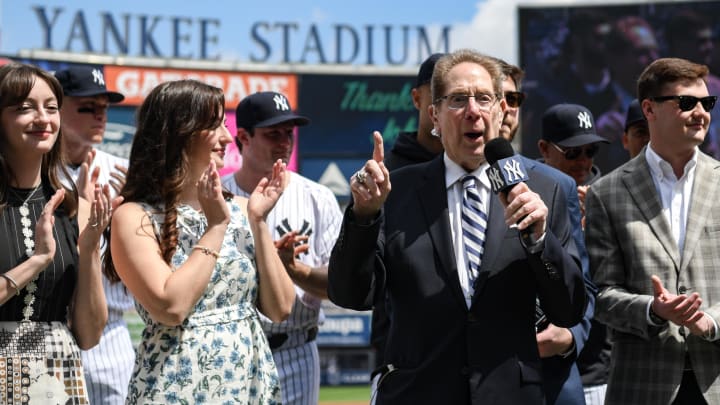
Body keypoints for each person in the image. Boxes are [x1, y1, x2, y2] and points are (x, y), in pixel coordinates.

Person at [328, 49, 586, 404]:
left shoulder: (546, 189)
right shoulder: (395, 191)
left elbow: (569, 309)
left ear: (500, 110)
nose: (473, 110)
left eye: (483, 98)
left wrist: (540, 239)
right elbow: (351, 295)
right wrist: (363, 217)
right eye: (458, 99)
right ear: (434, 115)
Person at [105, 80, 296, 404]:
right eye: (214, 125)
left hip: (248, 383)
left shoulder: (242, 209)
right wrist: (216, 226)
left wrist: (259, 222)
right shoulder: (134, 216)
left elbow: (280, 309)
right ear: (179, 133)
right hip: (174, 386)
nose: (226, 137)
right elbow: (171, 307)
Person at [586, 57, 720, 404]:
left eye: (708, 103)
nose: (701, 113)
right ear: (649, 109)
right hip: (642, 386)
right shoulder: (608, 193)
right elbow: (600, 295)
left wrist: (711, 321)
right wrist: (653, 310)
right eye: (687, 103)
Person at [0, 62, 111, 403]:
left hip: (57, 374)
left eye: (51, 108)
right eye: (24, 108)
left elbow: (89, 335)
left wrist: (91, 251)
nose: (44, 118)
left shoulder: (72, 206)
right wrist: (37, 261)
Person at [222, 90, 342, 405]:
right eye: (272, 133)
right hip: (231, 351)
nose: (284, 142)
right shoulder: (217, 199)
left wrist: (294, 270)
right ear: (243, 137)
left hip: (295, 351)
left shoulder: (318, 198)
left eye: (288, 133)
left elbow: (339, 286)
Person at [498, 60, 595, 405]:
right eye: (498, 97)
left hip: (552, 381)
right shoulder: (432, 185)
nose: (507, 108)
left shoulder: (555, 185)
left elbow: (583, 282)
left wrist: (570, 334)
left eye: (515, 99)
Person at [54, 65, 135, 404]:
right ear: (56, 107)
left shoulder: (123, 174)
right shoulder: (32, 170)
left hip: (111, 334)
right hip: (50, 329)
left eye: (104, 107)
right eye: (87, 107)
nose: (99, 115)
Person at [372, 53, 445, 389]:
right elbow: (359, 284)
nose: (447, 106)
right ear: (419, 99)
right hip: (403, 360)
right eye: (439, 94)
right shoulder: (387, 173)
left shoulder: (485, 172)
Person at [664, 10, 720, 159]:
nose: (709, 47)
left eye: (711, 40)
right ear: (679, 44)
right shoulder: (661, 90)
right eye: (701, 42)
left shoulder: (717, 88)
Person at [385, 53, 445, 169]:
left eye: (456, 97)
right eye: (438, 92)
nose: (446, 103)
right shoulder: (389, 171)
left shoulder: (473, 163)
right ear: (417, 98)